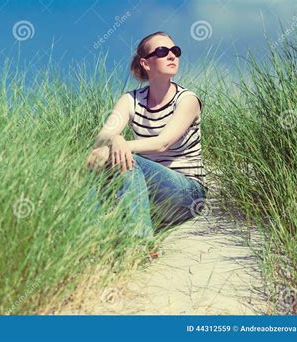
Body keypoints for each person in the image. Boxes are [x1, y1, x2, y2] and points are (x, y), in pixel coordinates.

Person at [85, 31, 208, 238]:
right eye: (162, 51)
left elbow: (162, 143)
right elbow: (102, 136)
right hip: (146, 190)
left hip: (187, 194)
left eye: (175, 51)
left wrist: (124, 146)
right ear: (145, 63)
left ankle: (139, 244)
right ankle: (86, 234)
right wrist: (115, 139)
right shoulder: (130, 100)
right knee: (107, 161)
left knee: (126, 159)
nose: (172, 56)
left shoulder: (187, 100)